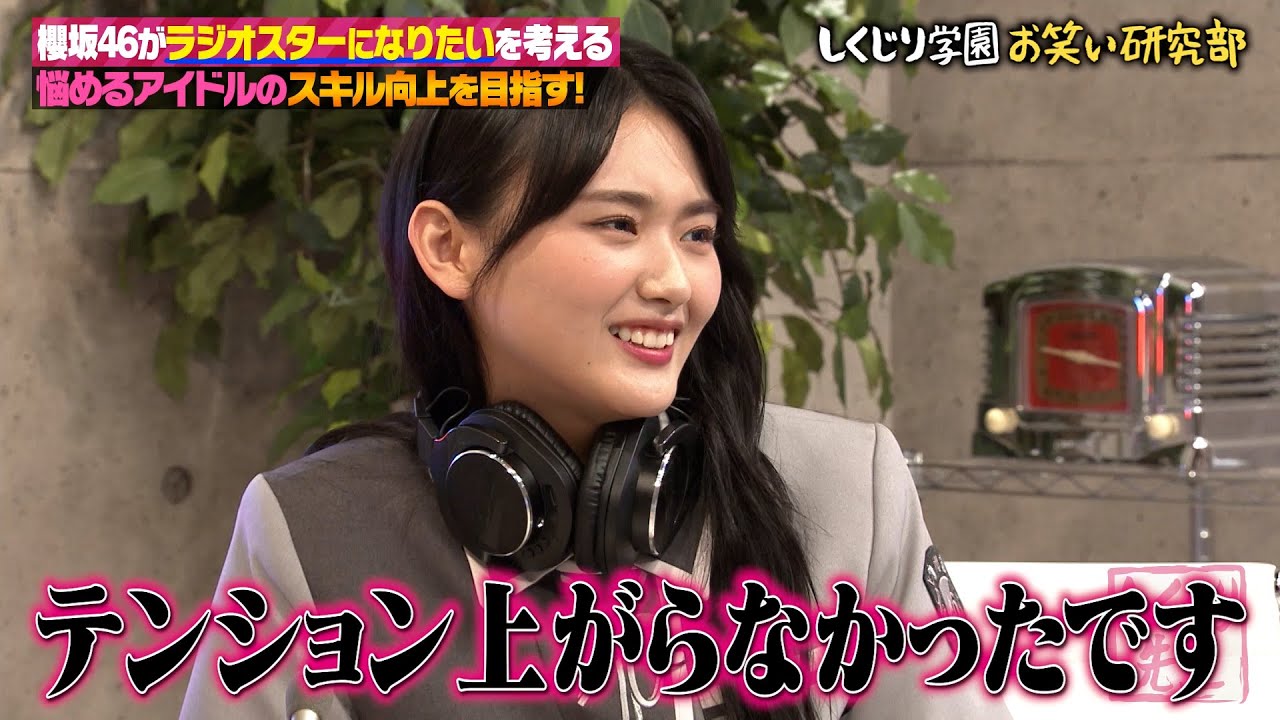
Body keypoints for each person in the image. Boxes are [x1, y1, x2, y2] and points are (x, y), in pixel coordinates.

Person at [179, 38, 1012, 720]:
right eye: (618, 224)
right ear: (448, 248)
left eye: (696, 235)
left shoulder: (848, 493)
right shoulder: (314, 530)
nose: (675, 283)